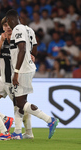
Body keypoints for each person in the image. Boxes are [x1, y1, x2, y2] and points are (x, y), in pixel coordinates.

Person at [6, 9, 59, 139]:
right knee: (21, 101)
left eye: (7, 23)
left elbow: (22, 49)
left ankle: (49, 120)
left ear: (9, 20)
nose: (8, 26)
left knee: (20, 102)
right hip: (28, 67)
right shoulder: (29, 29)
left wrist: (16, 72)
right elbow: (34, 48)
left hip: (22, 70)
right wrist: (32, 56)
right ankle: (18, 132)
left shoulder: (17, 30)